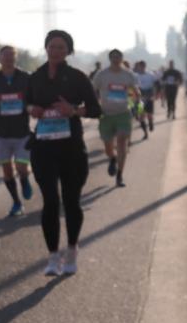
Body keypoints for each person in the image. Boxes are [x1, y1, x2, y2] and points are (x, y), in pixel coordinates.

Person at [25, 30, 102, 276]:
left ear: (68, 50)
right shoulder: (35, 77)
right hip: (43, 148)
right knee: (49, 202)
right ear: (45, 48)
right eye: (52, 46)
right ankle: (52, 256)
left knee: (71, 202)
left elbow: (95, 109)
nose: (56, 51)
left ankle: (71, 249)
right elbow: (26, 102)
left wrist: (73, 111)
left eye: (61, 47)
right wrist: (32, 108)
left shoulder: (77, 77)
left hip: (71, 149)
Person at [0, 45, 33, 217]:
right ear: (0, 59)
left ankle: (24, 179)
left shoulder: (26, 78)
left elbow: (37, 95)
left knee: (22, 168)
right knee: (7, 171)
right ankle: (16, 202)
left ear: (16, 58)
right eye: (5, 56)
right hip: (1, 132)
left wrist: (33, 107)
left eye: (11, 56)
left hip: (22, 132)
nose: (8, 59)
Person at [91, 49, 139, 187]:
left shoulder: (128, 75)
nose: (116, 59)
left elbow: (134, 92)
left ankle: (119, 175)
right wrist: (95, 106)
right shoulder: (102, 75)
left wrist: (135, 101)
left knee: (122, 142)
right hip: (106, 115)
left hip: (123, 114)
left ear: (122, 58)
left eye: (118, 56)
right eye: (113, 57)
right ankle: (112, 158)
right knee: (108, 146)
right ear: (110, 58)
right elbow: (93, 91)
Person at [134, 60, 157, 139]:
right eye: (140, 66)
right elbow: (133, 87)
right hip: (140, 97)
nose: (141, 68)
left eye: (143, 66)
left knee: (149, 114)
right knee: (141, 115)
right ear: (138, 67)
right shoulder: (136, 76)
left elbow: (155, 84)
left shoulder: (150, 75)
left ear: (145, 66)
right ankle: (145, 133)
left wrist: (154, 94)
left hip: (149, 96)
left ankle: (150, 122)